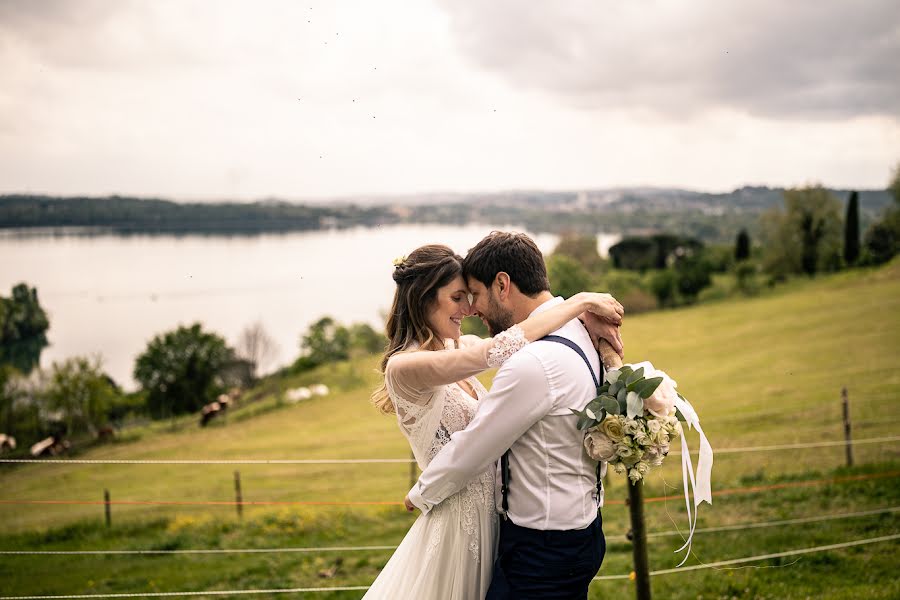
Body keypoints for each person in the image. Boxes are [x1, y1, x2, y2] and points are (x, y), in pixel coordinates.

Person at [364, 242, 623, 600]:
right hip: (457, 522)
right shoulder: (405, 366)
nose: (469, 308)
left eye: (471, 296)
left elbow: (514, 337)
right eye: (458, 297)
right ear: (425, 298)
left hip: (497, 523)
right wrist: (578, 303)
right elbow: (501, 347)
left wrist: (584, 324)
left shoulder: (455, 346)